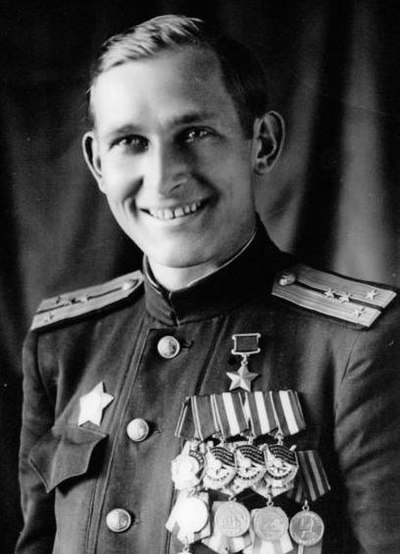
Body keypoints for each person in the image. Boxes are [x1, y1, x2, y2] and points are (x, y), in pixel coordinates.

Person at [16, 14, 400, 554]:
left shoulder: (356, 346)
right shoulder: (63, 344)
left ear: (262, 143)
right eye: (130, 141)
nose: (165, 177)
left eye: (194, 133)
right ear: (98, 164)